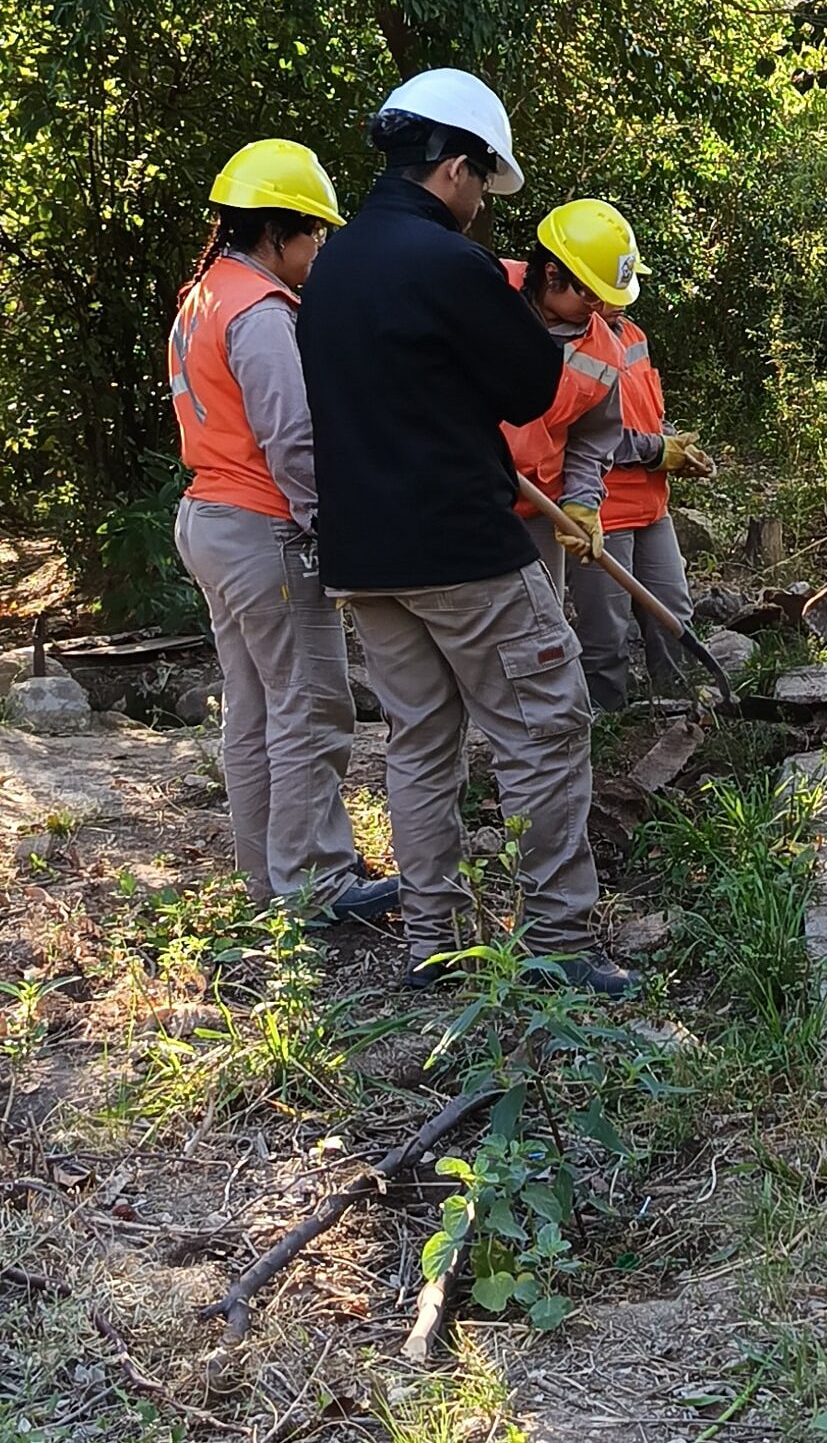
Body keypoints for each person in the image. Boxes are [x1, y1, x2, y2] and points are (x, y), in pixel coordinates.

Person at [295, 69, 630, 995]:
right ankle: (559, 941)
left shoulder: (331, 268)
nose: (484, 201)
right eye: (484, 180)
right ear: (453, 165)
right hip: (459, 548)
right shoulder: (450, 263)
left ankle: (432, 941)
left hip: (364, 558)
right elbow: (530, 388)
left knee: (418, 741)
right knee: (548, 725)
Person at [168, 139, 397, 922]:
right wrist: (330, 525)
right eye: (315, 234)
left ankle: (270, 879)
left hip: (210, 519)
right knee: (312, 706)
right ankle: (316, 886)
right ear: (276, 232)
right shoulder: (260, 314)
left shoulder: (205, 296)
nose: (321, 250)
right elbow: (291, 438)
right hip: (262, 527)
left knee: (256, 708)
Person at [569, 263, 711, 711]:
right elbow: (585, 436)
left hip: (652, 508)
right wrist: (657, 450)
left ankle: (676, 709)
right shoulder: (569, 341)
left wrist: (676, 448)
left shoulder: (632, 335)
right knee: (605, 635)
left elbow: (646, 415)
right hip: (599, 511)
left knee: (673, 612)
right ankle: (605, 729)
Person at [502, 199, 637, 594]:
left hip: (535, 507)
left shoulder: (604, 352)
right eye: (590, 295)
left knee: (542, 632)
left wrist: (581, 499)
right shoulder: (487, 287)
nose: (599, 308)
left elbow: (592, 440)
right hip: (457, 497)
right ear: (551, 272)